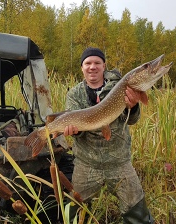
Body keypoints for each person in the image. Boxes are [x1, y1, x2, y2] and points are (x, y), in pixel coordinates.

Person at [63, 47, 154, 223]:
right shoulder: (74, 94)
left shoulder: (120, 88)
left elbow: (132, 120)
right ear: (82, 67)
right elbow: (76, 128)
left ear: (104, 66)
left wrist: (133, 106)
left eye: (97, 62)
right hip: (86, 163)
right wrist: (74, 130)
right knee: (73, 211)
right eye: (88, 63)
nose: (92, 67)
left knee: (138, 212)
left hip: (119, 162)